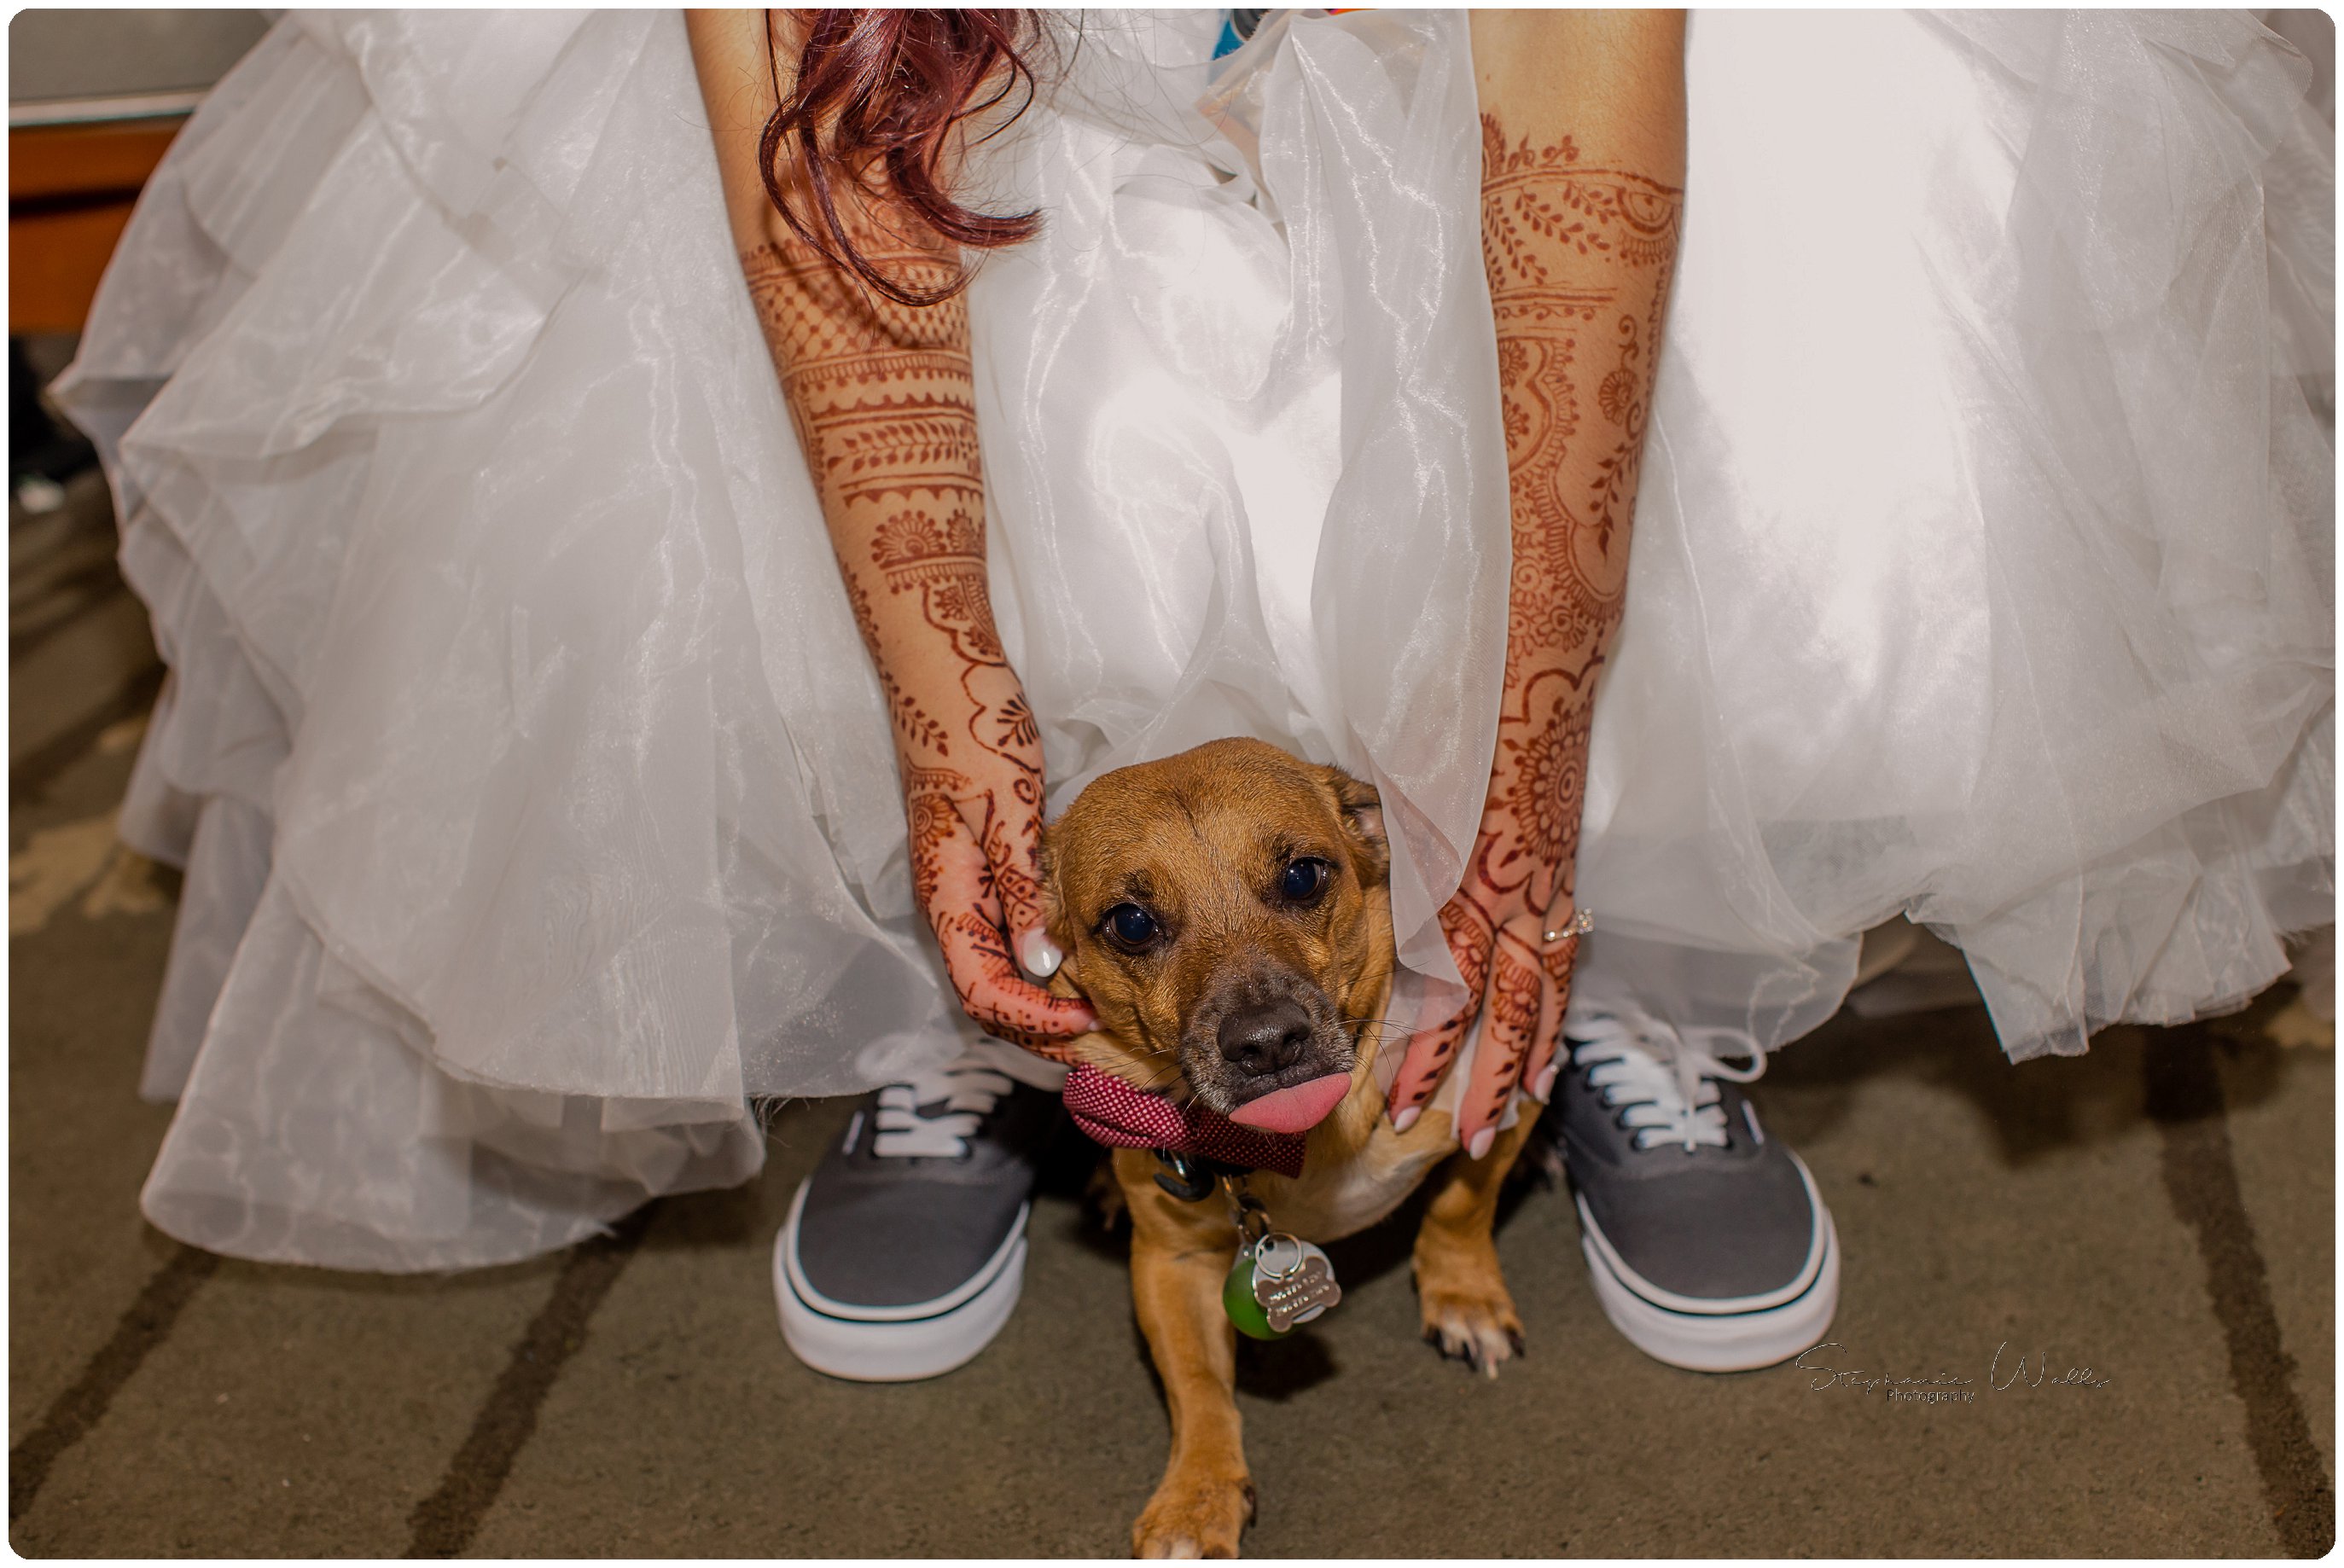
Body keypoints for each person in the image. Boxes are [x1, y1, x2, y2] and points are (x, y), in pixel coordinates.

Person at [56, 9, 2329, 1381]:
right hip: (944, 85)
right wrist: (954, 727)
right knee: (689, 343)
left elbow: (1576, 131)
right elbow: (822, 145)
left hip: (1496, 54)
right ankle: (947, 996)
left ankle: (1623, 952)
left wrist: (1529, 786)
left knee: (1849, 237)